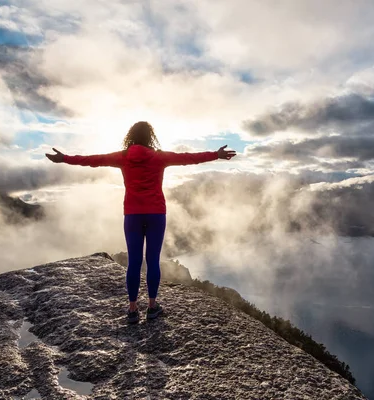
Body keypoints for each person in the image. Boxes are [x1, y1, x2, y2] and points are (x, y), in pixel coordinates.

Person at [46, 121, 236, 324]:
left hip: (132, 215)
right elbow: (188, 158)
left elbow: (92, 160)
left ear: (131, 136)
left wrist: (64, 158)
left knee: (134, 263)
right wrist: (216, 154)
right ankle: (152, 307)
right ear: (150, 137)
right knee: (152, 261)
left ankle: (132, 309)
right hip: (156, 214)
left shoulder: (123, 157)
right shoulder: (159, 157)